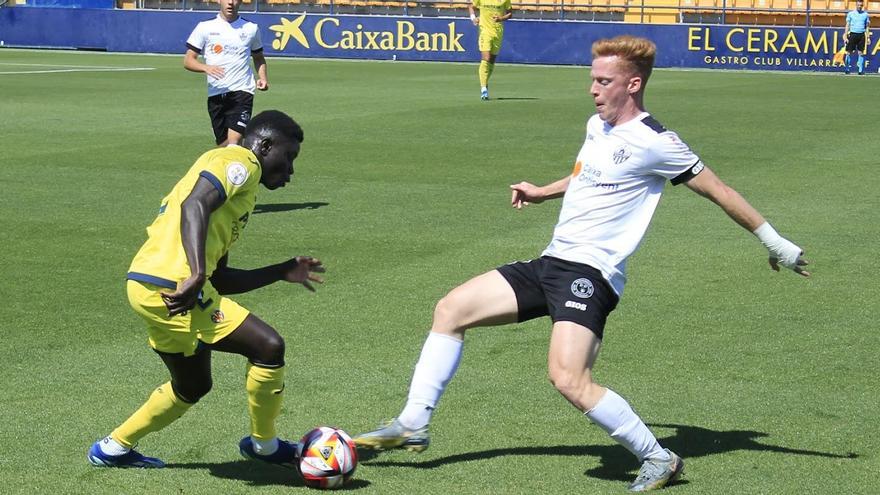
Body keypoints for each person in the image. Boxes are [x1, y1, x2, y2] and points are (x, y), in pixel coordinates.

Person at [354, 36, 810, 492]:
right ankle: (413, 422)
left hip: (591, 274)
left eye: (602, 80)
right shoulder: (598, 125)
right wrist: (541, 191)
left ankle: (658, 457)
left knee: (569, 379)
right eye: (592, 79)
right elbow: (585, 176)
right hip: (552, 261)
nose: (592, 88)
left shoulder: (658, 143)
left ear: (632, 84)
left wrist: (778, 245)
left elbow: (722, 192)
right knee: (451, 309)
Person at [87, 110, 324, 469]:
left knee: (192, 386)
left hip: (148, 283)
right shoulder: (239, 161)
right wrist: (196, 273)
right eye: (288, 157)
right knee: (268, 346)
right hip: (176, 283)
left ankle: (113, 448)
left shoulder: (236, 198)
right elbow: (194, 203)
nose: (290, 170)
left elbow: (222, 279)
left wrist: (281, 271)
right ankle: (265, 446)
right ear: (264, 144)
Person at [184, 0, 269, 146]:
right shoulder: (205, 27)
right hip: (216, 95)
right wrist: (206, 68)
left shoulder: (251, 28)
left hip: (242, 92)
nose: (230, 2)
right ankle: (252, 161)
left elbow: (258, 57)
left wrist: (263, 78)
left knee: (233, 142)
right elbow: (188, 60)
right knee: (224, 146)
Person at [468, 0, 512, 100]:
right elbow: (471, 6)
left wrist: (501, 18)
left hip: (498, 32)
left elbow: (510, 13)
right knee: (486, 58)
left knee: (492, 60)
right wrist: (473, 18)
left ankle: (485, 82)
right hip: (485, 31)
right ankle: (483, 88)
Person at [843, 0, 870, 75]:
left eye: (861, 5)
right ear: (856, 5)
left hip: (861, 35)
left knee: (861, 52)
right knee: (848, 52)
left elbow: (867, 27)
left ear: (862, 6)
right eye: (858, 5)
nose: (859, 6)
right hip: (853, 34)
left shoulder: (865, 15)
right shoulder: (851, 14)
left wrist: (868, 37)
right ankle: (847, 69)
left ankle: (860, 70)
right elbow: (847, 25)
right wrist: (845, 35)